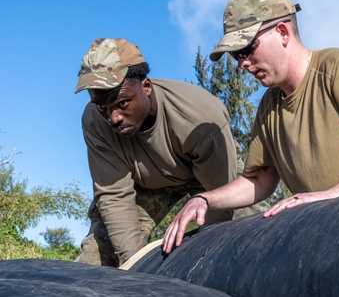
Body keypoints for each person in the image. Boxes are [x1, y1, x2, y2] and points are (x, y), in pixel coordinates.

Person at [162, 0, 339, 253]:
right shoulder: (268, 106)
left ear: (283, 32)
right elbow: (260, 181)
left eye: (246, 49)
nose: (241, 63)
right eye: (235, 55)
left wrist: (334, 195)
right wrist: (205, 199)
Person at [74, 37, 243, 267]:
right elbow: (114, 196)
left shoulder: (199, 118)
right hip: (146, 183)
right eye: (103, 107)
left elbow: (220, 199)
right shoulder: (95, 121)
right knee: (98, 258)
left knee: (243, 243)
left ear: (146, 87)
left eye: (122, 103)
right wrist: (134, 269)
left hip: (216, 179)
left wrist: (209, 259)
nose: (113, 118)